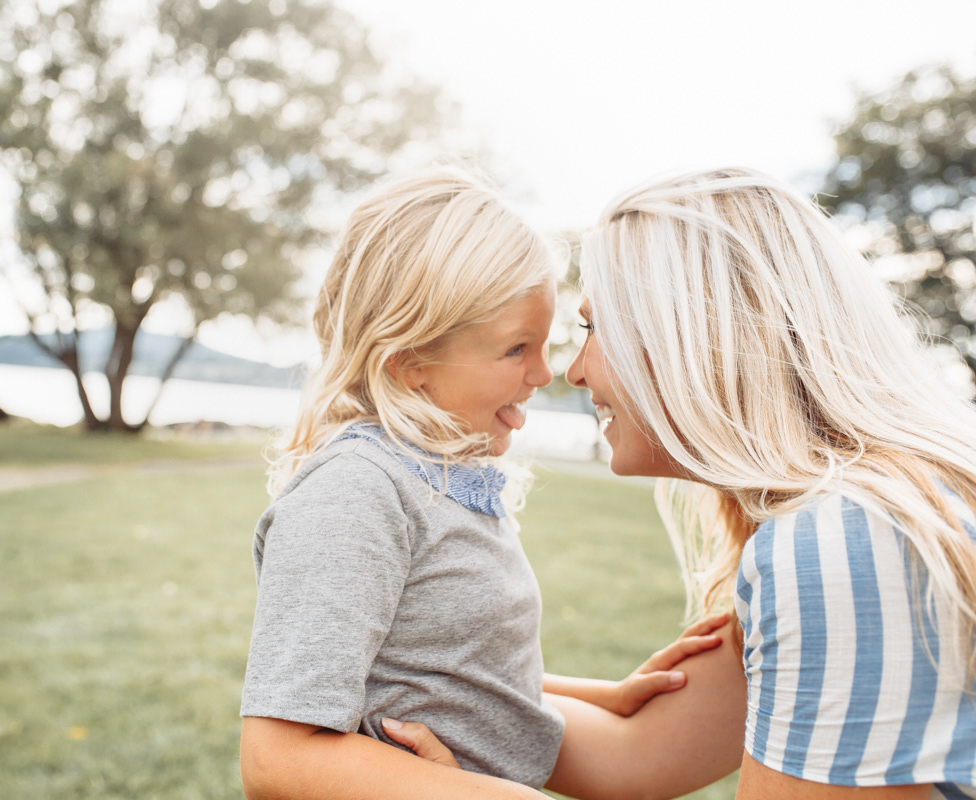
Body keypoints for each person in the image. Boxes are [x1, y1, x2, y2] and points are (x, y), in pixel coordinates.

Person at [397, 167, 976, 799]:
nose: (572, 370)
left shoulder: (843, 543)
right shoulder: (862, 519)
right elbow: (635, 755)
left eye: (595, 328)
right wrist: (392, 692)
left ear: (693, 338)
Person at [238, 167, 730, 800]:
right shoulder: (354, 493)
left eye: (547, 342)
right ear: (410, 360)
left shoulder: (439, 480)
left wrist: (600, 695)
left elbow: (438, 673)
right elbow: (277, 760)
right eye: (516, 349)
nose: (545, 372)